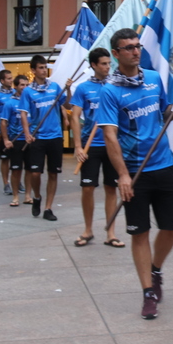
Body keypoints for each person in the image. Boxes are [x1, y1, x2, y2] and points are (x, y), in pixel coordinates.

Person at [98, 28, 173, 320]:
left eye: (137, 46)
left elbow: (164, 114)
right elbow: (110, 137)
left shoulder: (152, 78)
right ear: (116, 54)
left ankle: (156, 269)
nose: (135, 51)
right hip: (134, 172)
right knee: (140, 234)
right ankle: (147, 292)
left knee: (171, 227)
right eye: (128, 47)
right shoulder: (110, 91)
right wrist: (123, 175)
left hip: (163, 166)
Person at [70, 47, 123, 248]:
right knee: (87, 188)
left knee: (111, 188)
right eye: (103, 64)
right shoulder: (83, 88)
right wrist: (77, 146)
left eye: (109, 63)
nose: (108, 67)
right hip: (90, 145)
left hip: (112, 144)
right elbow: (75, 117)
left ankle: (111, 233)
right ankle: (88, 230)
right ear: (93, 65)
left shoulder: (115, 86)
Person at [18, 55, 68, 222]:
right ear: (33, 70)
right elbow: (23, 114)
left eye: (45, 67)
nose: (44, 70)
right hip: (37, 137)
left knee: (53, 173)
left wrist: (68, 89)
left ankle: (48, 208)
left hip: (55, 135)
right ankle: (37, 196)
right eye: (40, 67)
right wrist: (27, 133)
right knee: (35, 173)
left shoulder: (54, 87)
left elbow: (66, 103)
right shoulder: (28, 91)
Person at [0, 75, 29, 208]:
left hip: (29, 140)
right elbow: (3, 122)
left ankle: (28, 195)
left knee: (30, 169)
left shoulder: (31, 101)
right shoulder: (10, 103)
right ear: (16, 87)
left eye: (27, 85)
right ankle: (15, 196)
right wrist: (6, 139)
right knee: (16, 169)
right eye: (22, 85)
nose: (25, 87)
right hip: (15, 140)